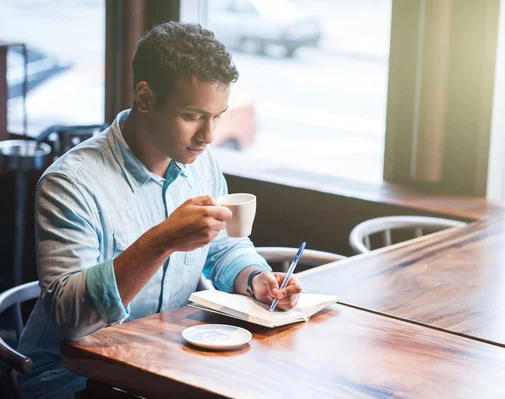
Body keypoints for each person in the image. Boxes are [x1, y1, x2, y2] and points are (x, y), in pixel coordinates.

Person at [17, 22, 302, 398]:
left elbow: (221, 248)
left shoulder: (201, 163)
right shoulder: (71, 182)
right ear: (146, 98)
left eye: (217, 116)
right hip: (72, 375)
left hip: (164, 363)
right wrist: (161, 241)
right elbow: (71, 320)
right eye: (193, 116)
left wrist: (254, 279)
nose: (209, 135)